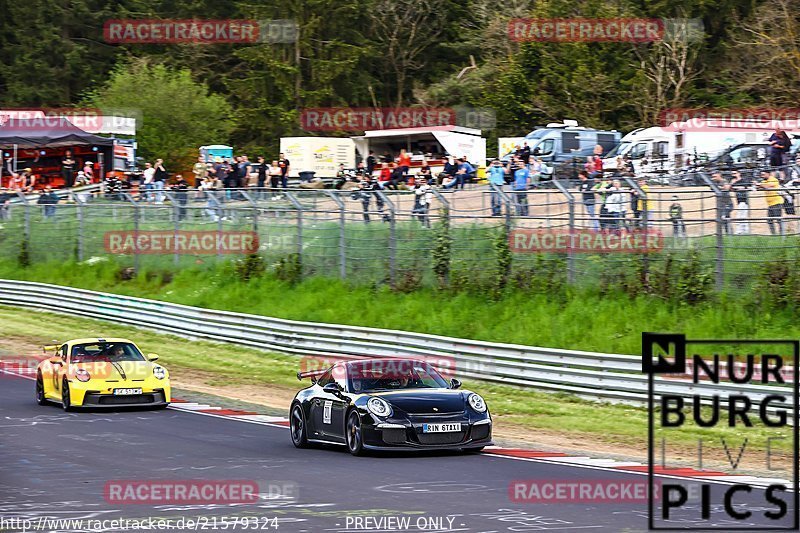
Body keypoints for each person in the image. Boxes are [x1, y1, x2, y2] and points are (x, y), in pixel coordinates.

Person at [756, 170, 783, 235]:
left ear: (768, 174)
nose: (762, 176)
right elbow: (759, 188)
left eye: (763, 174)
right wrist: (758, 185)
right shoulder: (764, 181)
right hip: (770, 204)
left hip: (776, 202)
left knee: (778, 219)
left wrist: (760, 185)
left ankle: (782, 234)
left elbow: (767, 186)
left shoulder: (774, 180)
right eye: (761, 175)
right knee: (769, 220)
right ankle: (774, 234)